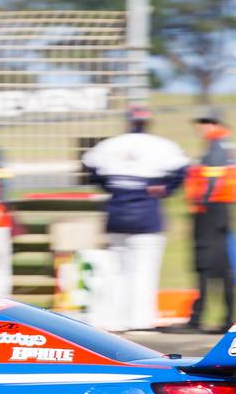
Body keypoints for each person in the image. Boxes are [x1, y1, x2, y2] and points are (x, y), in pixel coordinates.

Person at [80, 105, 190, 331]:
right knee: (143, 271)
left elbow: (89, 165)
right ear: (147, 123)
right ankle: (140, 320)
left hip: (117, 214)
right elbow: (183, 170)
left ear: (127, 122)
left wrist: (110, 186)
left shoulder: (111, 145)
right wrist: (166, 189)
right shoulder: (161, 146)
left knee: (118, 271)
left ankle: (115, 319)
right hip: (147, 217)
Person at [184, 114, 236, 331]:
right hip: (220, 211)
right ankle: (225, 316)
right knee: (222, 265)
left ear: (215, 125)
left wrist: (202, 202)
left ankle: (199, 317)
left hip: (211, 210)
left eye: (204, 123)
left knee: (207, 263)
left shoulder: (216, 146)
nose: (200, 128)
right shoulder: (224, 145)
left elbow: (211, 180)